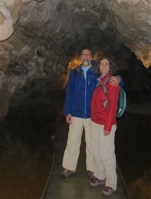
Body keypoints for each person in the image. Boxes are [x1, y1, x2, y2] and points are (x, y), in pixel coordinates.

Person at [60, 48, 120, 179]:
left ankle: (92, 169)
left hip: (92, 115)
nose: (86, 56)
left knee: (91, 143)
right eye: (83, 54)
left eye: (88, 54)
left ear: (91, 57)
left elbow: (112, 81)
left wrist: (119, 78)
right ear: (80, 57)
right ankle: (69, 167)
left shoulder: (97, 72)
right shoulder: (74, 73)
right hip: (76, 113)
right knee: (73, 141)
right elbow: (69, 92)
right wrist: (67, 112)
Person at [89, 57, 120, 196]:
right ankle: (100, 176)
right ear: (99, 67)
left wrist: (108, 126)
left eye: (107, 64)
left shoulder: (112, 83)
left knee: (107, 154)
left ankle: (111, 183)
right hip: (94, 122)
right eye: (102, 64)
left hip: (105, 124)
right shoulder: (98, 81)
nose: (104, 66)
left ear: (110, 67)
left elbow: (113, 106)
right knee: (96, 151)